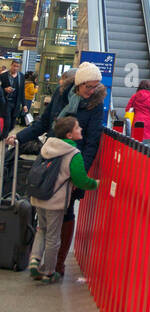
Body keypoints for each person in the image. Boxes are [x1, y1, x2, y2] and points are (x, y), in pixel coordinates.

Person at [7, 61, 105, 277]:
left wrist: (80, 175)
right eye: (89, 86)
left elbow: (92, 143)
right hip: (49, 160)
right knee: (42, 209)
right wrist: (19, 137)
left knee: (66, 213)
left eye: (95, 86)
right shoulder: (61, 96)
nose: (92, 91)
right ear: (78, 83)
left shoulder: (96, 105)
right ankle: (38, 260)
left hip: (72, 165)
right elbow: (42, 124)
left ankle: (57, 264)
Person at [28, 114, 98, 282]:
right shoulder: (73, 154)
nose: (81, 129)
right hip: (55, 201)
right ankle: (49, 271)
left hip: (39, 196)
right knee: (53, 236)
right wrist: (96, 184)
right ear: (69, 135)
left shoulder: (48, 145)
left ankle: (34, 259)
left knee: (41, 230)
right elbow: (81, 180)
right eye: (77, 128)